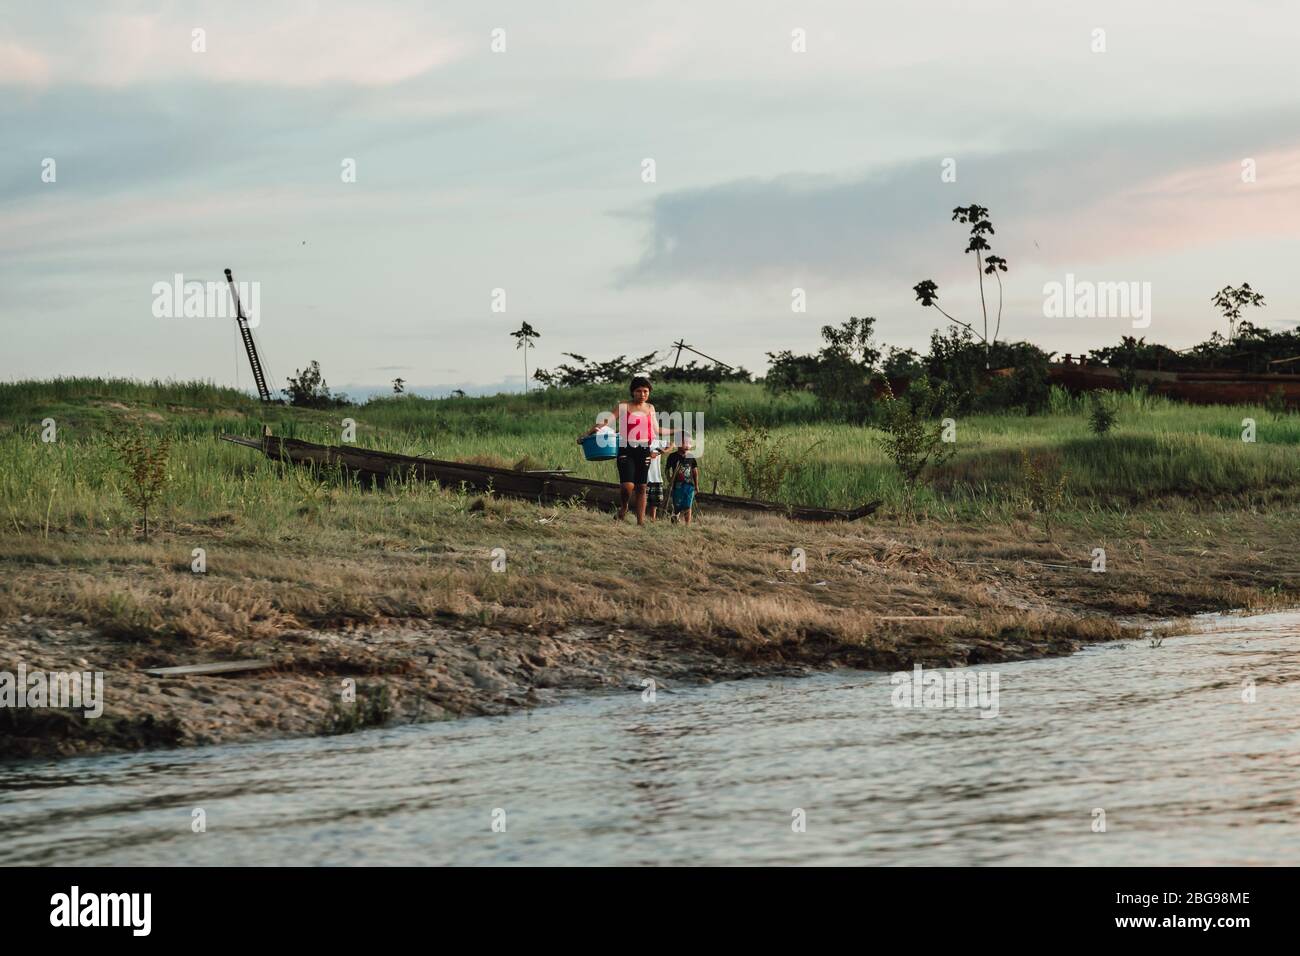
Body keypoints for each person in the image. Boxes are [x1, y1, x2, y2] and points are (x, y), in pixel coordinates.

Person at [579, 376, 660, 525]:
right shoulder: (623, 406)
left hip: (644, 449)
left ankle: (640, 522)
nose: (642, 394)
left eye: (645, 391)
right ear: (632, 392)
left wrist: (677, 431)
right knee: (627, 485)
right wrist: (587, 434)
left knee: (642, 486)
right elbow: (605, 422)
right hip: (625, 447)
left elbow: (656, 429)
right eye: (638, 391)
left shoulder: (650, 408)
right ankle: (624, 507)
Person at [666, 438, 699, 526]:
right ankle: (675, 516)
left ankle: (687, 525)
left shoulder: (691, 456)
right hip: (677, 485)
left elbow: (695, 471)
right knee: (677, 505)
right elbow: (667, 470)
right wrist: (670, 480)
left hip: (689, 485)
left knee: (688, 505)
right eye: (685, 443)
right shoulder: (673, 456)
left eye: (689, 443)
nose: (687, 445)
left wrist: (696, 485)